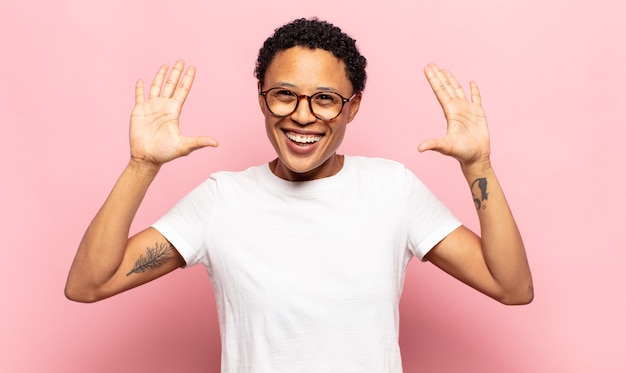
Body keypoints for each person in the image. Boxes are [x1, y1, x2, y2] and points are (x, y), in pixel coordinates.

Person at [65, 17, 533, 372]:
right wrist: (142, 165)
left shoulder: (393, 189)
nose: (302, 116)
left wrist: (478, 165)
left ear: (353, 108)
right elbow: (88, 283)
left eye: (325, 98)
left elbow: (511, 288)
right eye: (284, 94)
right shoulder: (221, 200)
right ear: (262, 99)